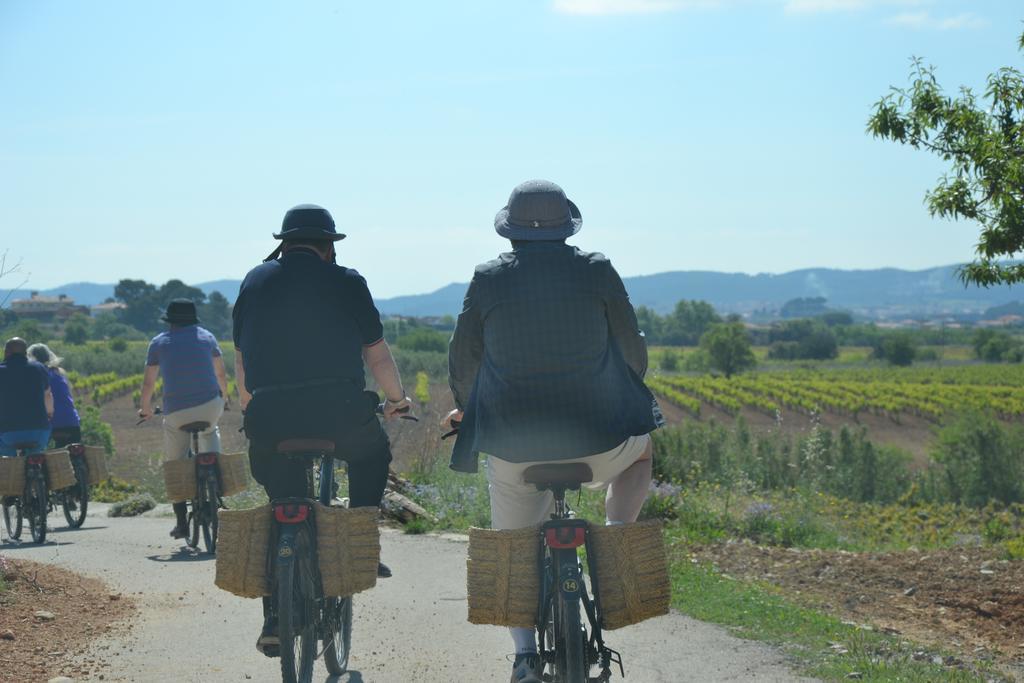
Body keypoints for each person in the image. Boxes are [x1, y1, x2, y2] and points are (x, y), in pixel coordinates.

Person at [445, 180, 663, 683]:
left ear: (511, 232)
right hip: (601, 442)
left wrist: (466, 409)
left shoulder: (488, 279)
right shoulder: (598, 271)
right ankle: (614, 541)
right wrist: (623, 389)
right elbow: (633, 351)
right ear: (568, 227)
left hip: (516, 448)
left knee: (514, 543)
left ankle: (524, 657)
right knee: (642, 454)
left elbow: (464, 359)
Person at [232, 203, 411, 656]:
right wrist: (395, 401)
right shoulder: (347, 280)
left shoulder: (255, 280)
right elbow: (377, 355)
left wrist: (251, 412)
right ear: (327, 247)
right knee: (372, 456)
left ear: (283, 244)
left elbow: (242, 360)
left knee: (282, 502)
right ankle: (361, 542)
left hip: (270, 416)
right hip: (339, 411)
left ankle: (276, 615)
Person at [138, 299, 229, 539]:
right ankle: (217, 477)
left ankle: (180, 523)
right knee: (211, 431)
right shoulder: (207, 337)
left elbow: (148, 383)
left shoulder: (158, 343)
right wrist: (225, 399)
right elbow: (220, 372)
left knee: (175, 462)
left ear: (169, 321)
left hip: (176, 411)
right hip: (211, 406)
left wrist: (145, 409)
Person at [0, 337, 54, 457]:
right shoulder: (39, 368)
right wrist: (49, 413)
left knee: (7, 457)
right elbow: (48, 395)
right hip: (39, 432)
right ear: (26, 353)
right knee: (36, 454)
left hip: (8, 433)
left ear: (6, 352)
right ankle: (38, 469)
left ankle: (9, 468)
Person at [28, 343, 81, 448]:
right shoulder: (59, 373)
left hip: (51, 425)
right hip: (73, 422)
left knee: (36, 453)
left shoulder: (37, 374)